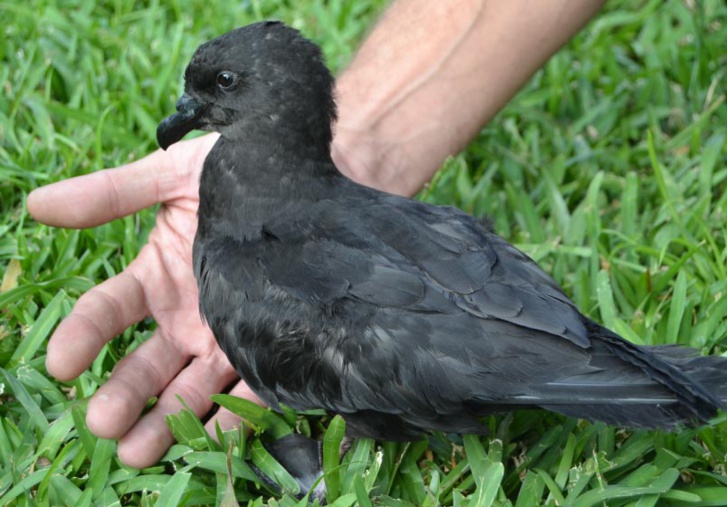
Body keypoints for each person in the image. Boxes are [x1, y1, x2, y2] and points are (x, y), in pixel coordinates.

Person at [27, 0, 607, 468]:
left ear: (281, 102)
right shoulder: (243, 225)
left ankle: (332, 471)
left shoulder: (238, 270)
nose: (184, 111)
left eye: (220, 85)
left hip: (484, 350)